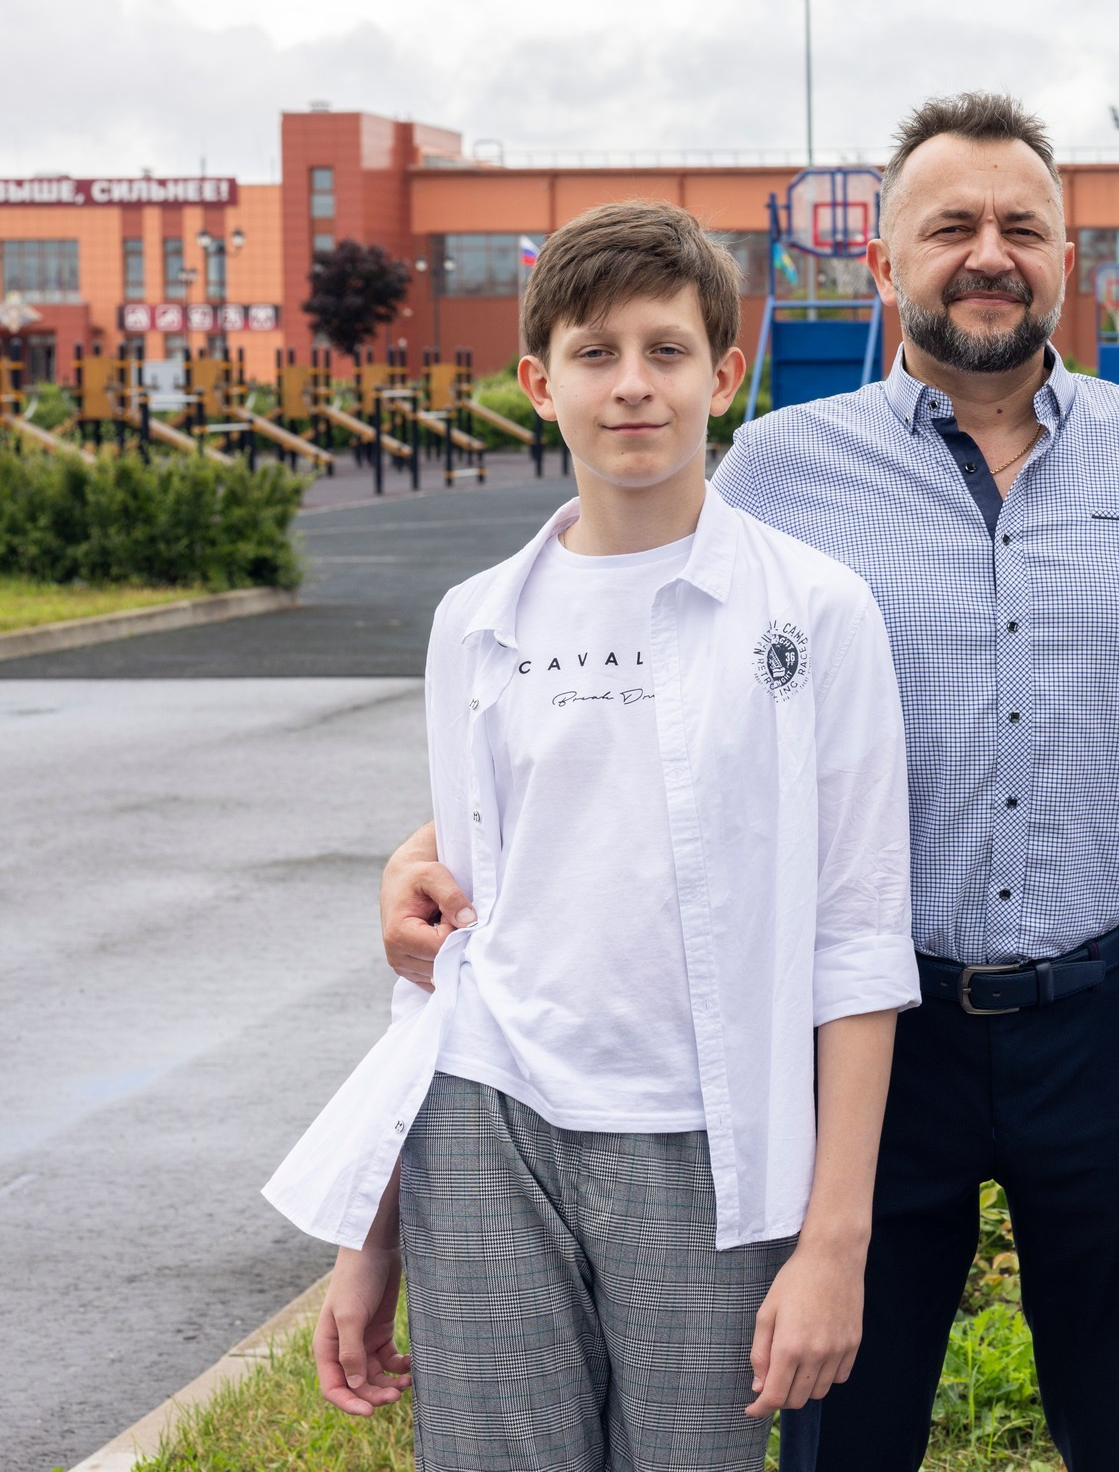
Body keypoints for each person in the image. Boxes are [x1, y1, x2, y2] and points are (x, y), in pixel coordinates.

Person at [377, 95, 1119, 1472]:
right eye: (950, 225)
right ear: (884, 262)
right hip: (866, 1031)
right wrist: (432, 840)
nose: (989, 253)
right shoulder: (776, 471)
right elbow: (621, 680)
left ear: (1069, 254)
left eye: (1023, 225)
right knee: (842, 1420)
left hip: (1108, 1014)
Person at [267, 199, 916, 1471]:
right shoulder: (475, 621)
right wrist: (374, 1234)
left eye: (667, 352)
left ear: (725, 374)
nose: (633, 387)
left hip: (709, 1146)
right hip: (488, 1126)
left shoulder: (818, 612)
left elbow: (857, 933)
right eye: (595, 353)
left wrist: (834, 1239)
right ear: (537, 381)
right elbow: (455, 939)